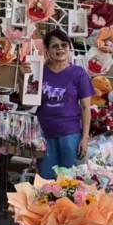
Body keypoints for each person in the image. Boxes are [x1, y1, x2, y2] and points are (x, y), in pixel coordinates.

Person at [36, 29, 93, 179]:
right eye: (55, 46)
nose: (60, 49)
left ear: (69, 48)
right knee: (47, 182)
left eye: (64, 45)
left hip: (70, 136)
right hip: (44, 136)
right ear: (47, 50)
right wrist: (24, 76)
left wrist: (85, 138)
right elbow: (28, 102)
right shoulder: (39, 72)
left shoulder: (78, 73)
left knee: (70, 182)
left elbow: (86, 107)